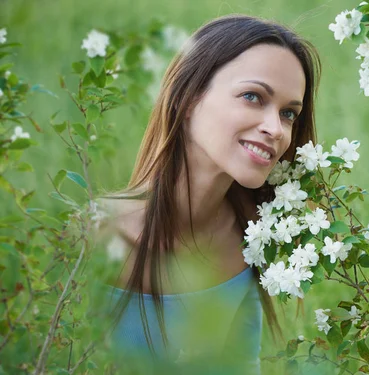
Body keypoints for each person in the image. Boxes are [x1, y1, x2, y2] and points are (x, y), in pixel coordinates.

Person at [100, 14, 321, 374]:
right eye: (253, 96)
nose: (276, 129)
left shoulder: (250, 240)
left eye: (288, 114)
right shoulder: (92, 237)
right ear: (188, 98)